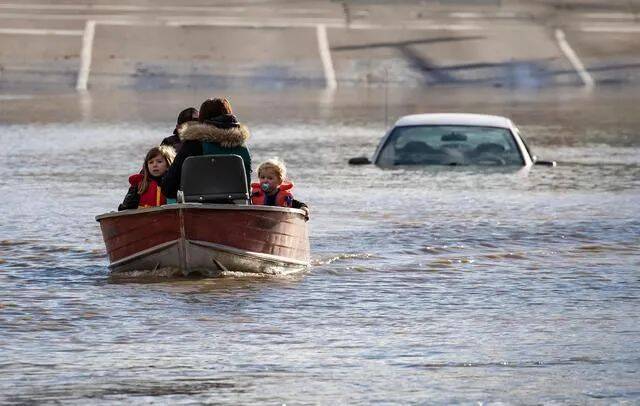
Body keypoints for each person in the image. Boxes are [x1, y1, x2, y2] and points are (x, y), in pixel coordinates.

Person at [160, 98, 252, 198]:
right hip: (236, 207)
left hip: (199, 208)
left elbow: (168, 187)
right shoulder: (243, 147)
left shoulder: (194, 144)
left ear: (202, 119)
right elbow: (247, 188)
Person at [118, 145, 176, 211]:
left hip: (167, 217)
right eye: (151, 162)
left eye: (159, 161)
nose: (155, 165)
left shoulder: (174, 183)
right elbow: (126, 208)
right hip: (144, 219)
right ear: (147, 166)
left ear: (168, 165)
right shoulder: (140, 184)